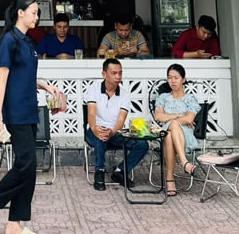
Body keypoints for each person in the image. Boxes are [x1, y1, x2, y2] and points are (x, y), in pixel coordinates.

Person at [0, 0, 65, 234]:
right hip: (16, 112)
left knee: (29, 169)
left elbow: (23, 76)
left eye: (38, 12)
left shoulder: (28, 41)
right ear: (20, 13)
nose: (37, 16)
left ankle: (14, 226)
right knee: (25, 164)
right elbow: (2, 81)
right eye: (34, 12)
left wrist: (45, 86)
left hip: (30, 110)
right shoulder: (9, 40)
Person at [84, 58, 149, 191]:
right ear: (104, 74)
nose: (118, 76)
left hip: (115, 132)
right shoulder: (94, 89)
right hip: (94, 130)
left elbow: (121, 120)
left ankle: (120, 171)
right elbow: (91, 113)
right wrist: (96, 129)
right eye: (114, 73)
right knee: (101, 137)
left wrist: (112, 132)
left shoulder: (124, 94)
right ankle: (99, 171)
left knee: (142, 144)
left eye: (120, 73)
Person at [153, 63, 200, 196]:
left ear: (183, 79)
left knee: (170, 131)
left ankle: (170, 179)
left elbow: (189, 119)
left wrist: (171, 119)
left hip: (185, 135)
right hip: (166, 132)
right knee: (169, 132)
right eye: (170, 77)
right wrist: (178, 116)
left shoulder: (190, 99)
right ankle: (184, 163)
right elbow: (158, 116)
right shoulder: (163, 97)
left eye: (176, 77)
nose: (172, 81)